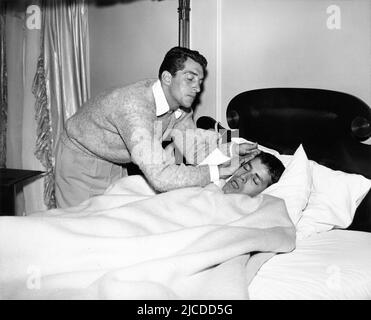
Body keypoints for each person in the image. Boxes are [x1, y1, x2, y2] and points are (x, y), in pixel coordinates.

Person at [55, 46, 259, 208]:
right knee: (79, 225)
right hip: (80, 160)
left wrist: (231, 148)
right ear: (167, 78)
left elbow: (192, 148)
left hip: (115, 160)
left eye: (200, 81)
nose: (197, 88)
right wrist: (218, 171)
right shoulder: (134, 106)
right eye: (190, 79)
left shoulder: (181, 108)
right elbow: (161, 177)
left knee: (111, 222)